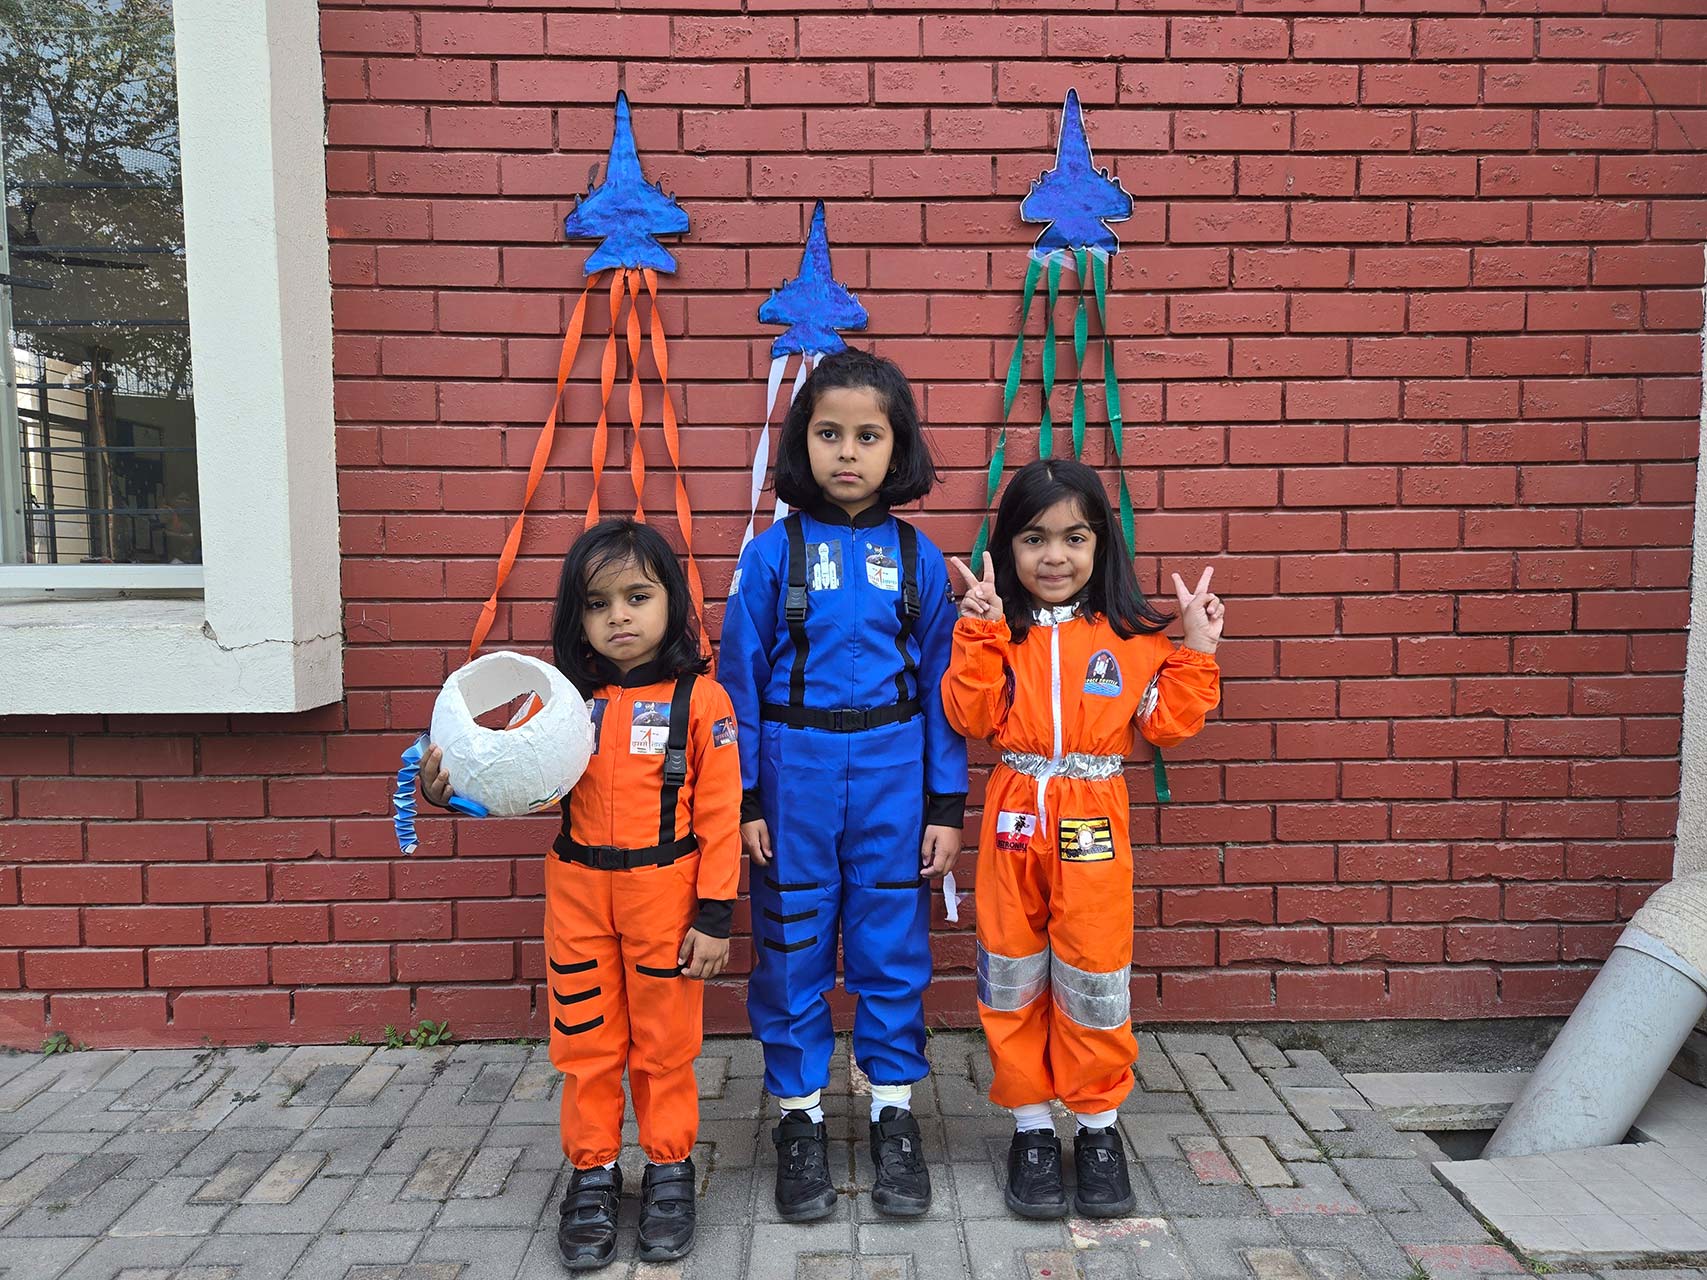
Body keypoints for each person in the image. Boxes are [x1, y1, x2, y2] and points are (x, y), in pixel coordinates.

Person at [420, 519, 738, 1270]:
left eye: (637, 596)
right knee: (587, 1041)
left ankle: (668, 1171)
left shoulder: (704, 702)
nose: (618, 616)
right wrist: (449, 792)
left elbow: (722, 815)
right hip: (578, 896)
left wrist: (716, 915)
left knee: (663, 1046)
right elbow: (509, 778)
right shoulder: (560, 704)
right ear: (577, 617)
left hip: (666, 894)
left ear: (672, 602)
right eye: (598, 604)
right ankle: (593, 1172)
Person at [720, 348, 968, 1221]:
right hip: (794, 777)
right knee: (790, 947)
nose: (848, 453)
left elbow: (943, 691)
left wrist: (946, 806)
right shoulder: (769, 557)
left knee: (890, 945)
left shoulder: (919, 558)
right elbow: (736, 686)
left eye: (868, 435)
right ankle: (799, 1119)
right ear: (802, 442)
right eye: (829, 434)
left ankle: (894, 1112)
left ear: (897, 447)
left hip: (894, 777)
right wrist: (744, 799)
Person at [943, 458, 1224, 1221]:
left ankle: (1097, 1127)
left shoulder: (1131, 637)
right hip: (1013, 818)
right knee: (1012, 971)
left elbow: (1166, 724)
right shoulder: (998, 631)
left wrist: (1196, 646)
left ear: (1101, 544)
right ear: (1007, 546)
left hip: (1094, 818)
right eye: (1033, 538)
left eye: (1074, 537)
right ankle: (1031, 1127)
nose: (1054, 556)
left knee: (1093, 975)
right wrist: (977, 630)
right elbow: (970, 716)